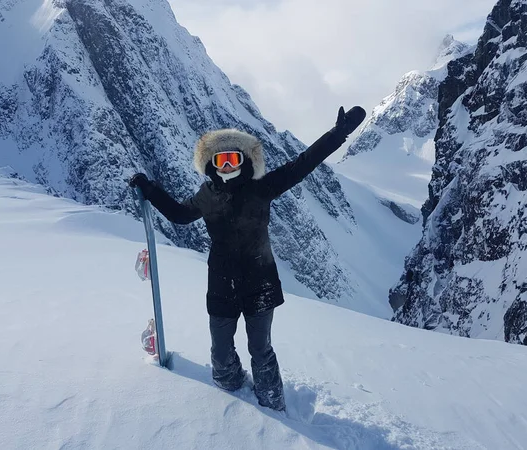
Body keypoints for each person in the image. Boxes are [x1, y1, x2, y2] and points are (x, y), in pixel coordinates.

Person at [129, 106, 366, 411]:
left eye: (233, 158)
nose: (227, 166)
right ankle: (229, 391)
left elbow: (302, 165)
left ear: (245, 160)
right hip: (221, 284)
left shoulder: (262, 187)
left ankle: (272, 402)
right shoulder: (207, 194)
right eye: (221, 160)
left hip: (260, 282)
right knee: (221, 350)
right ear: (211, 163)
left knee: (260, 348)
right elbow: (178, 214)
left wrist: (337, 134)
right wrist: (150, 189)